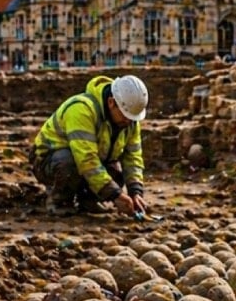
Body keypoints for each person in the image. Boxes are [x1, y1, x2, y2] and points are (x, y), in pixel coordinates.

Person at [31, 74, 149, 217]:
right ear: (111, 102)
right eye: (125, 116)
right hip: (48, 162)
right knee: (69, 163)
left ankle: (87, 201)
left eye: (132, 118)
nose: (129, 122)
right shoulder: (81, 110)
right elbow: (86, 160)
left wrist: (135, 192)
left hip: (88, 162)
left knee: (115, 172)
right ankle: (60, 201)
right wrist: (115, 195)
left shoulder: (129, 121)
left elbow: (133, 158)